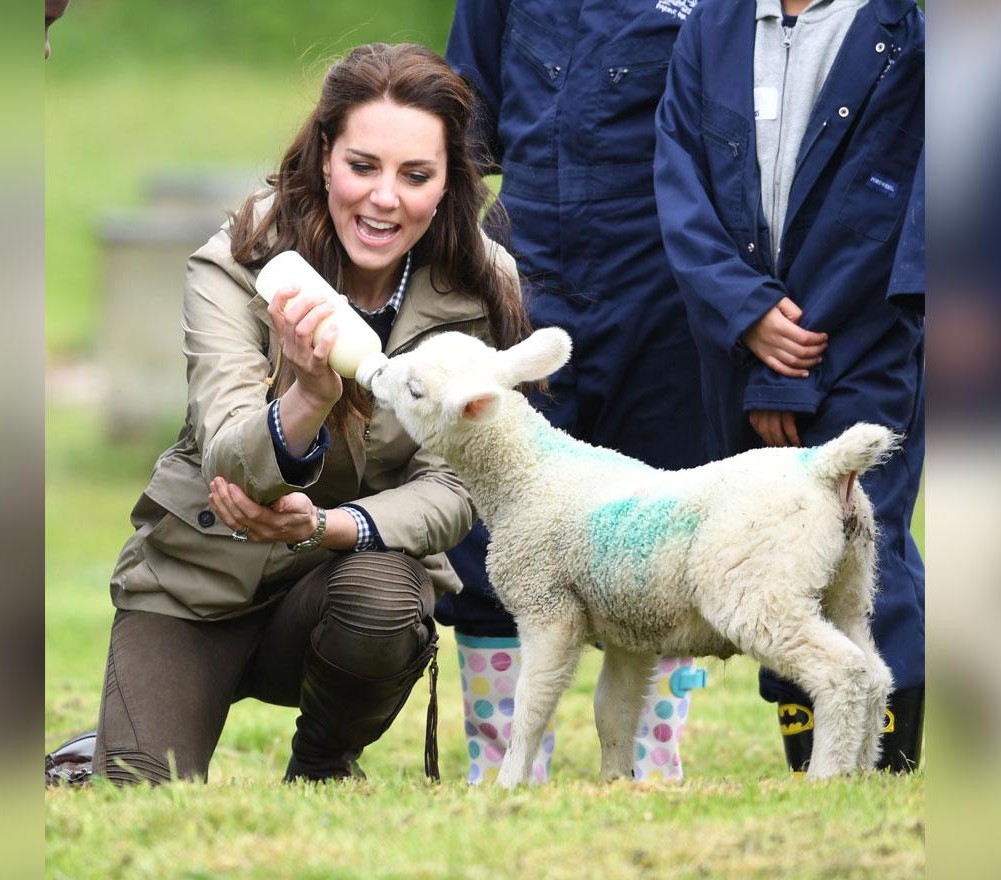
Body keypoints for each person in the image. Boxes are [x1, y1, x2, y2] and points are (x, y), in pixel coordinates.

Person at [62, 42, 529, 786]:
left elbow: (459, 488)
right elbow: (227, 459)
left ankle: (322, 765)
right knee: (135, 786)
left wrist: (327, 526)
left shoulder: (481, 287)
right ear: (322, 157)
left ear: (448, 184)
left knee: (381, 593)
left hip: (342, 589)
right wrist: (308, 397)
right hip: (198, 581)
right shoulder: (239, 260)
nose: (385, 198)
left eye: (416, 175)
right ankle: (99, 749)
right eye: (363, 165)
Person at [438, 0, 716, 784]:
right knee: (494, 520)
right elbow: (465, 121)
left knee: (661, 526)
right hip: (525, 269)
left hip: (666, 278)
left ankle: (647, 760)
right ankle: (500, 764)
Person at [653, 0, 925, 773]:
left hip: (865, 335)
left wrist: (792, 362)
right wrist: (744, 313)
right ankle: (814, 761)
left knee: (865, 533)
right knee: (782, 548)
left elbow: (904, 201)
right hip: (740, 341)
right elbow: (681, 180)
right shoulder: (714, 27)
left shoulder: (908, 27)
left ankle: (887, 758)